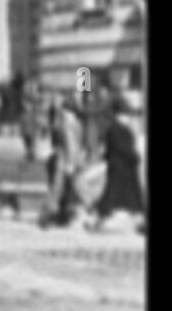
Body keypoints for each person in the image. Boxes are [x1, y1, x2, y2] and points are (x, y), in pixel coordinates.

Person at [90, 97, 145, 232]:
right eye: (125, 114)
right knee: (113, 198)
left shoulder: (118, 128)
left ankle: (141, 222)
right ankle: (99, 222)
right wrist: (135, 157)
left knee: (131, 199)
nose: (128, 117)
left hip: (125, 169)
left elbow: (111, 149)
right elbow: (121, 148)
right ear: (120, 114)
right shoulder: (116, 128)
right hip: (120, 169)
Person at [41, 91, 85, 228]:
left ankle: (62, 215)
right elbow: (70, 142)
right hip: (66, 158)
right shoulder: (69, 121)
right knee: (60, 188)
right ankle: (49, 215)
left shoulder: (62, 120)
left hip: (64, 157)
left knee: (62, 188)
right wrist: (71, 163)